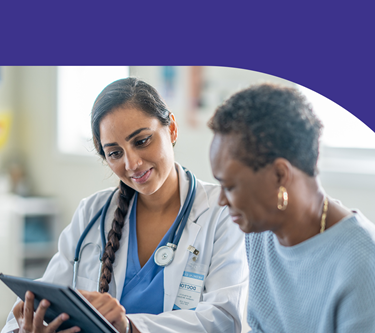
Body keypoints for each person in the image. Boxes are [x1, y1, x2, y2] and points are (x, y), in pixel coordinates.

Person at [2, 78, 248, 333]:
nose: (132, 164)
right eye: (115, 153)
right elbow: (45, 297)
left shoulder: (222, 210)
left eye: (141, 141)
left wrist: (129, 327)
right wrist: (27, 328)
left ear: (172, 128)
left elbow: (224, 318)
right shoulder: (93, 212)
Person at [208, 83, 375, 332]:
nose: (222, 200)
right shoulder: (262, 229)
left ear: (280, 175)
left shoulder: (367, 271)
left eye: (229, 186)